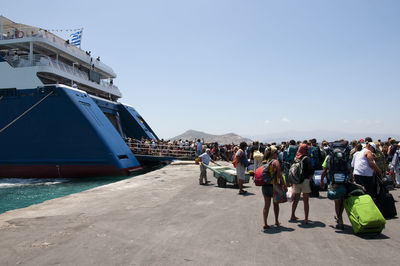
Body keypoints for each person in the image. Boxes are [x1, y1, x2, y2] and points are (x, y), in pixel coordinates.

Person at [262, 146, 288, 229]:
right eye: (277, 153)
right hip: (274, 185)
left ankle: (265, 223)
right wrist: (284, 184)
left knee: (266, 205)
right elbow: (280, 174)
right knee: (275, 204)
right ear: (273, 154)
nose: (278, 154)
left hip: (265, 185)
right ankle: (276, 220)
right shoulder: (275, 161)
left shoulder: (264, 161)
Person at [290, 143, 314, 224]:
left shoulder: (296, 158)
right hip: (305, 181)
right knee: (305, 200)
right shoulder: (307, 159)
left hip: (296, 181)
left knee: (296, 199)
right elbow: (311, 171)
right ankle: (306, 218)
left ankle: (292, 215)